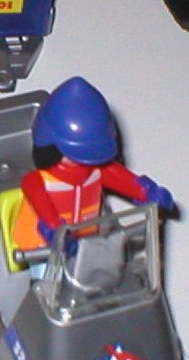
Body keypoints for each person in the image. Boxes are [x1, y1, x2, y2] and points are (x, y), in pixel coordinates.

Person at [13, 76, 175, 251]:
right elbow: (46, 213)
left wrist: (148, 192)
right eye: (78, 154)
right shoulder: (37, 181)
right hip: (41, 248)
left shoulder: (95, 171)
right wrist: (55, 232)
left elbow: (126, 181)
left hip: (89, 243)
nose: (84, 161)